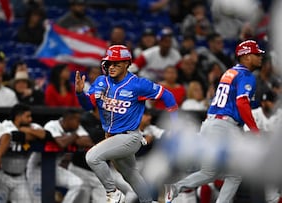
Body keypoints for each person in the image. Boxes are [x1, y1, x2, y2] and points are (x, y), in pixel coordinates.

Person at [75, 45, 178, 203]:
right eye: (109, 63)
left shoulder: (137, 84)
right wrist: (80, 93)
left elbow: (167, 95)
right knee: (131, 175)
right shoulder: (102, 81)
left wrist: (175, 123)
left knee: (92, 157)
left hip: (129, 137)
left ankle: (113, 193)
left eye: (116, 63)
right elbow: (88, 106)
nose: (112, 67)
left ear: (127, 64)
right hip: (111, 137)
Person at [165, 39, 264, 203]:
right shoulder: (246, 75)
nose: (260, 57)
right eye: (256, 54)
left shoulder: (230, 72)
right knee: (236, 173)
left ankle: (175, 188)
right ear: (246, 57)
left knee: (210, 173)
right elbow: (241, 102)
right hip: (225, 126)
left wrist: (253, 102)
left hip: (211, 123)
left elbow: (239, 100)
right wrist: (254, 129)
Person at [26, 109, 93, 203]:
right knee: (38, 200)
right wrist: (75, 136)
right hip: (37, 167)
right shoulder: (52, 125)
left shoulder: (75, 128)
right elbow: (62, 143)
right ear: (69, 119)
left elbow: (88, 142)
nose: (79, 124)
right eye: (77, 121)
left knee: (77, 184)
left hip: (54, 167)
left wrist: (70, 137)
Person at [0, 103, 49, 203]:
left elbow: (47, 136)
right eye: (27, 116)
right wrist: (33, 135)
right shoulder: (6, 125)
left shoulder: (31, 126)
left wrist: (27, 130)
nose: (30, 119)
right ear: (18, 117)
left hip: (20, 177)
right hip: (0, 174)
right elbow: (16, 136)